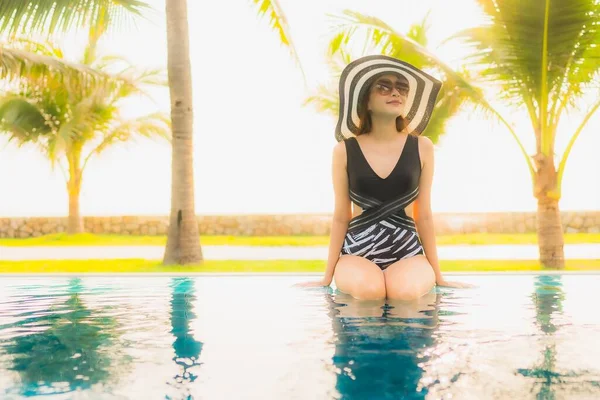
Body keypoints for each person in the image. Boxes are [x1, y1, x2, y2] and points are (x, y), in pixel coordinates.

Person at [297, 55, 473, 300]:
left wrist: (439, 276)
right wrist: (326, 277)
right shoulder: (344, 151)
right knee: (370, 292)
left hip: (408, 253)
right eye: (384, 87)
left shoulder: (422, 147)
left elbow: (424, 215)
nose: (396, 93)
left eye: (402, 88)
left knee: (405, 293)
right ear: (366, 101)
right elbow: (340, 216)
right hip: (357, 253)